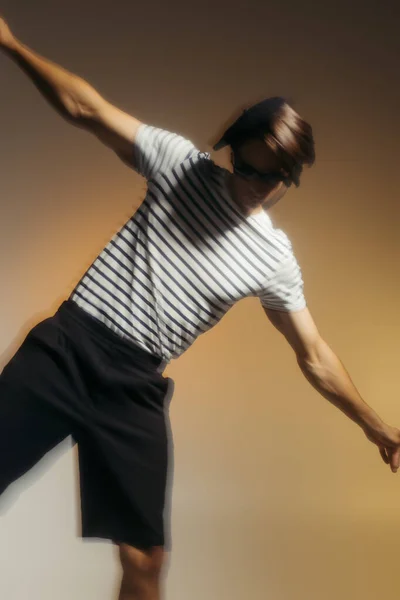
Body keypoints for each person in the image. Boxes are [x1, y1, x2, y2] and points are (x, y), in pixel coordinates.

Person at [1, 15, 400, 600]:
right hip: (67, 349)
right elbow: (86, 108)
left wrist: (378, 427)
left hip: (133, 387)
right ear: (231, 151)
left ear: (291, 175)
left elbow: (314, 353)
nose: (248, 186)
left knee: (146, 562)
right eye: (244, 168)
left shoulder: (274, 258)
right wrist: (10, 43)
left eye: (267, 179)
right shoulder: (178, 165)